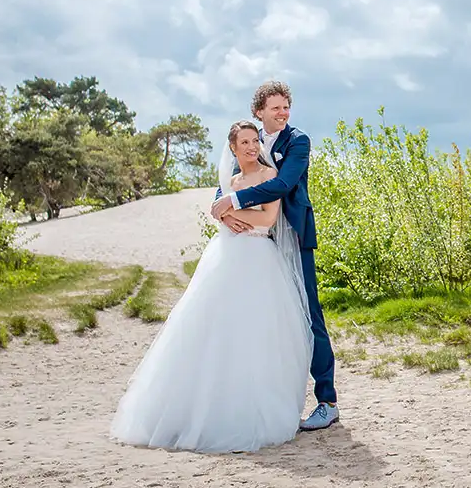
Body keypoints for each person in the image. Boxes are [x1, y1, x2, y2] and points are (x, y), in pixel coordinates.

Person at [109, 120, 312, 453]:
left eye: (254, 141)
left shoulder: (268, 176)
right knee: (213, 328)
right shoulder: (230, 181)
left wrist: (234, 213)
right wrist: (227, 215)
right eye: (243, 142)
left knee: (256, 333)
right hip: (227, 256)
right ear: (232, 148)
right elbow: (222, 211)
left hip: (260, 258)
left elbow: (267, 220)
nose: (250, 147)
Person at [209, 80, 339, 431]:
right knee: (262, 319)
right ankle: (264, 397)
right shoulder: (249, 139)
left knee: (310, 314)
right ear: (259, 111)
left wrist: (233, 204)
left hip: (293, 238)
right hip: (259, 244)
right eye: (275, 107)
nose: (283, 113)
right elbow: (230, 182)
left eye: (286, 107)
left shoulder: (298, 142)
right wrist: (221, 206)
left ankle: (327, 401)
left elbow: (283, 185)